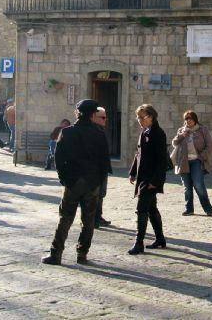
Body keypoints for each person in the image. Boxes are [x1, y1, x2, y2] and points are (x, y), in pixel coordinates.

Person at [41, 99, 110, 266]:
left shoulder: (67, 132)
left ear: (77, 113)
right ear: (93, 114)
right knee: (88, 220)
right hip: (92, 181)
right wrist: (101, 182)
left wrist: (63, 177)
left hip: (73, 181)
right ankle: (82, 254)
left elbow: (59, 157)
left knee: (65, 218)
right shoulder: (99, 134)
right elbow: (104, 161)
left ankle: (56, 254)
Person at [127, 104, 168, 255]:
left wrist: (155, 181)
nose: (139, 120)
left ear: (151, 116)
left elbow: (161, 160)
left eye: (142, 117)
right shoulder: (144, 131)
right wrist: (132, 172)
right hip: (143, 177)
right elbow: (138, 154)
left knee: (142, 209)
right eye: (138, 117)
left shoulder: (158, 133)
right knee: (151, 208)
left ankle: (139, 243)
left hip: (151, 179)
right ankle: (160, 238)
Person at [171, 110, 212, 216]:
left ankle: (208, 208)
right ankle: (189, 209)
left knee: (198, 185)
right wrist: (182, 135)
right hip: (183, 162)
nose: (188, 120)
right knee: (187, 187)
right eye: (186, 119)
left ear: (195, 120)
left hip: (196, 161)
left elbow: (210, 145)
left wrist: (202, 157)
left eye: (190, 118)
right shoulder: (181, 130)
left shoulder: (202, 130)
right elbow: (174, 143)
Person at [93, 107, 113, 228]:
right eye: (103, 117)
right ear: (94, 118)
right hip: (96, 170)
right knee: (96, 194)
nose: (105, 119)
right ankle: (94, 218)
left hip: (102, 169)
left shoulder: (100, 130)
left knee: (101, 194)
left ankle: (98, 216)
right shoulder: (94, 132)